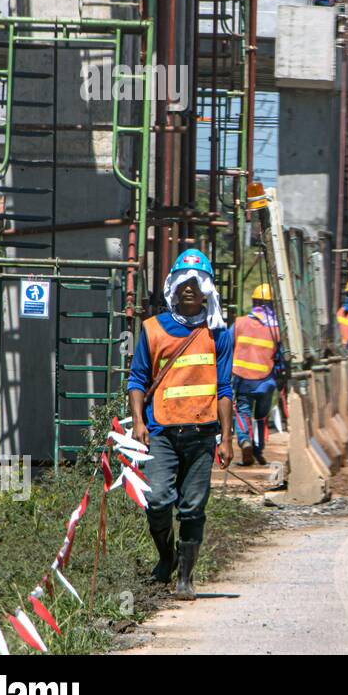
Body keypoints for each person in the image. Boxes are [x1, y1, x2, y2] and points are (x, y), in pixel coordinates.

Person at [128, 250, 234, 600]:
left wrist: (226, 439)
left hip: (202, 435)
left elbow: (225, 388)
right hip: (161, 433)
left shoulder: (218, 333)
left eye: (197, 282)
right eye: (184, 282)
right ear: (172, 285)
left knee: (192, 507)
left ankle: (186, 579)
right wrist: (139, 422)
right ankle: (167, 558)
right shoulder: (153, 328)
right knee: (157, 500)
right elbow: (137, 379)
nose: (190, 289)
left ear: (206, 289)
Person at [231, 283, 283, 466]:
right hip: (266, 382)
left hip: (243, 380)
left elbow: (226, 347)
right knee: (262, 416)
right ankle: (258, 448)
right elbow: (281, 358)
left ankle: (245, 441)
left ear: (254, 302)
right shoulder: (277, 329)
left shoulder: (240, 323)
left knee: (242, 412)